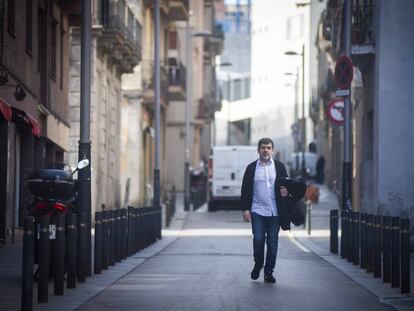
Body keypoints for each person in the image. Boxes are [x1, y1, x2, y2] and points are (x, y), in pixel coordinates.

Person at [241, 137, 289, 284]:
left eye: (268, 148)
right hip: (257, 210)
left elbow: (287, 185)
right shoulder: (251, 168)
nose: (266, 150)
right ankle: (258, 263)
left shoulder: (279, 167)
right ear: (258, 150)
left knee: (273, 243)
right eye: (263, 147)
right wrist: (245, 209)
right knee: (259, 239)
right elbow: (245, 190)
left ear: (272, 150)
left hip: (275, 211)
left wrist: (287, 191)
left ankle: (269, 272)